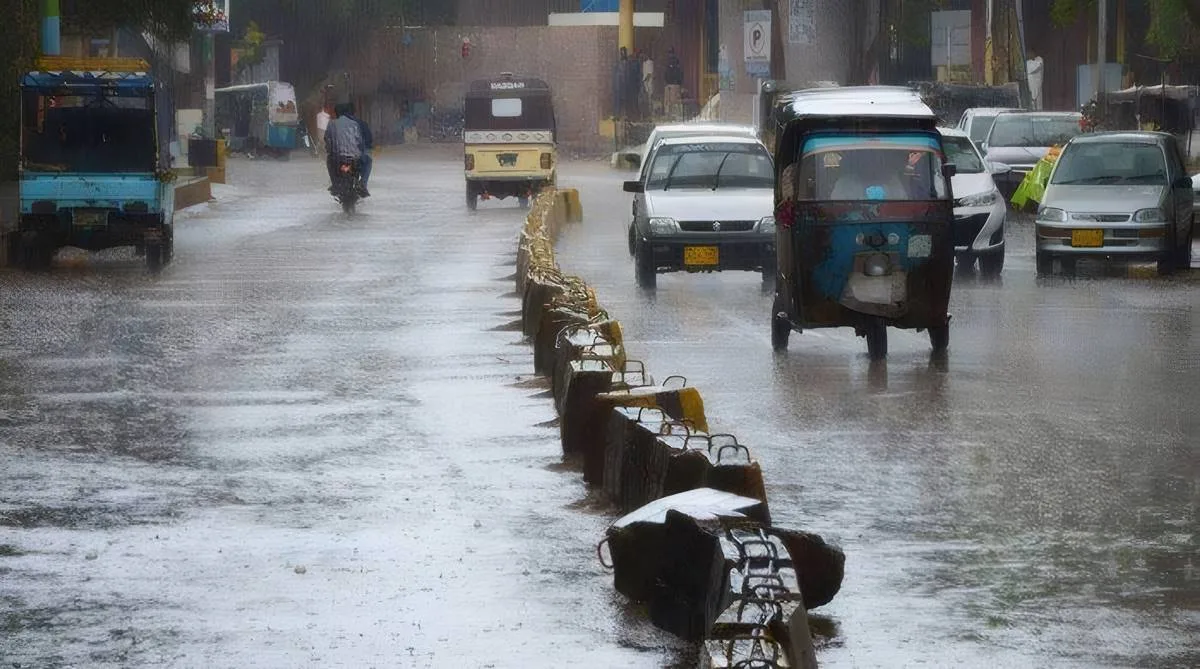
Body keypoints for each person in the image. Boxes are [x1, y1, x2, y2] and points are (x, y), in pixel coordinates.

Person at [324, 102, 365, 196]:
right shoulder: (355, 124)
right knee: (361, 164)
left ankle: (335, 185)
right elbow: (359, 140)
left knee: (329, 161)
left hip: (338, 158)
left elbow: (327, 139)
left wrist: (329, 149)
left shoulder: (331, 123)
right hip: (354, 157)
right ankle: (359, 183)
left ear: (336, 112)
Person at [340, 103, 374, 195]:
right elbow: (369, 140)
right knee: (368, 162)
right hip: (357, 155)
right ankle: (362, 184)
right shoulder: (361, 123)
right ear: (354, 112)